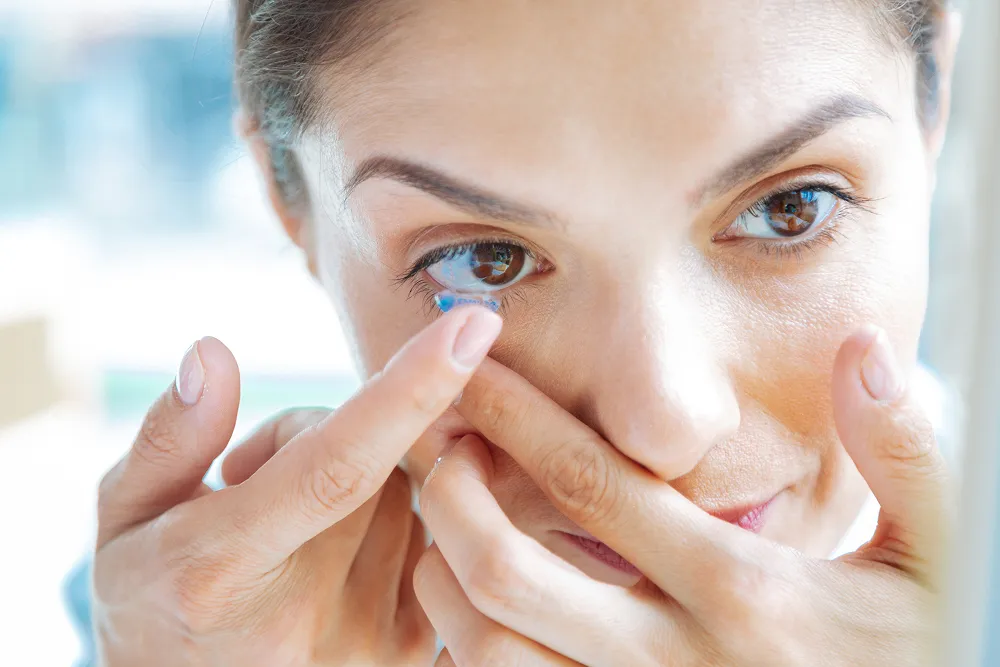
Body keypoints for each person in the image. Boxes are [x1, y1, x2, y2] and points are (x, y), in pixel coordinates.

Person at [89, 1, 961, 664]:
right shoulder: (197, 630)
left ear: (935, 106)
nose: (665, 426)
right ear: (290, 204)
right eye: (486, 260)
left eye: (790, 209)